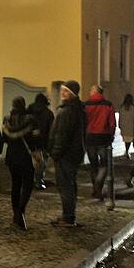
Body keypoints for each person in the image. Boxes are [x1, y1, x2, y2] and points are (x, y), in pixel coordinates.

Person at [48, 81, 85, 227]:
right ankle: (68, 214)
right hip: (73, 154)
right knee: (70, 185)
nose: (63, 93)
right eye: (62, 90)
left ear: (73, 94)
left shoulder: (67, 111)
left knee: (65, 186)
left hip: (66, 155)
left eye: (66, 91)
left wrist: (55, 153)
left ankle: (68, 217)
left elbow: (62, 136)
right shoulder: (77, 109)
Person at [2, 97, 38, 230]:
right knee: (28, 183)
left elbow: (4, 138)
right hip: (26, 156)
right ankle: (21, 211)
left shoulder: (7, 120)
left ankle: (15, 213)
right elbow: (36, 138)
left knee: (15, 184)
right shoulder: (31, 120)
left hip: (12, 155)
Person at [84, 85, 116, 199]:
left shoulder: (86, 105)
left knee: (93, 165)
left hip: (90, 137)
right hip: (103, 137)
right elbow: (112, 123)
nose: (89, 92)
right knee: (104, 164)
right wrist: (111, 135)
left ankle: (95, 188)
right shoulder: (108, 105)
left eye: (90, 90)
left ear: (94, 92)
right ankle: (98, 185)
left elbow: (83, 121)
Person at [26, 93, 55, 189]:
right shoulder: (49, 113)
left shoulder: (28, 110)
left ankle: (29, 181)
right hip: (43, 142)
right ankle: (39, 181)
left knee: (31, 162)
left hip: (30, 141)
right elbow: (52, 130)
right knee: (41, 163)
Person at [118, 94, 134, 159]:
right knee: (132, 140)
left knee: (126, 141)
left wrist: (120, 125)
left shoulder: (122, 107)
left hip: (124, 127)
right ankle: (128, 152)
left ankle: (127, 151)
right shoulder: (133, 108)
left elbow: (120, 118)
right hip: (131, 127)